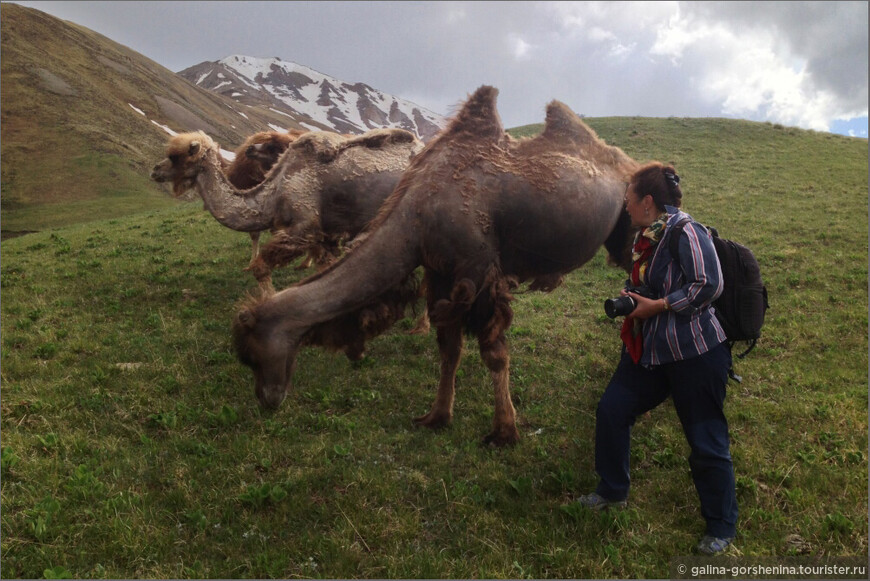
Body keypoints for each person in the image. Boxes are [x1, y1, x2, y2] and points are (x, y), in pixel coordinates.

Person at [576, 162, 738, 556]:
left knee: (705, 440)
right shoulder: (648, 237)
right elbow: (654, 285)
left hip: (695, 355)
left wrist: (660, 305)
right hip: (650, 351)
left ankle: (721, 526)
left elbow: (709, 285)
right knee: (612, 410)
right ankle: (612, 491)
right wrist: (634, 297)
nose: (625, 206)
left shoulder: (687, 230)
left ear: (647, 202)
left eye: (629, 200)